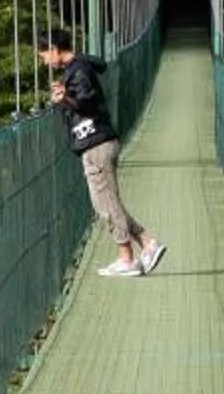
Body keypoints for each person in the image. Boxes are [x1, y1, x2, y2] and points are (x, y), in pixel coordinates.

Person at [40, 27, 165, 278]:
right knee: (107, 203)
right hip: (97, 142)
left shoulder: (78, 71)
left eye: (43, 54)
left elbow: (86, 103)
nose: (43, 60)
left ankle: (127, 257)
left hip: (95, 144)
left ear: (54, 49)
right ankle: (147, 244)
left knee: (106, 205)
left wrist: (64, 98)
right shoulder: (77, 69)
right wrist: (64, 97)